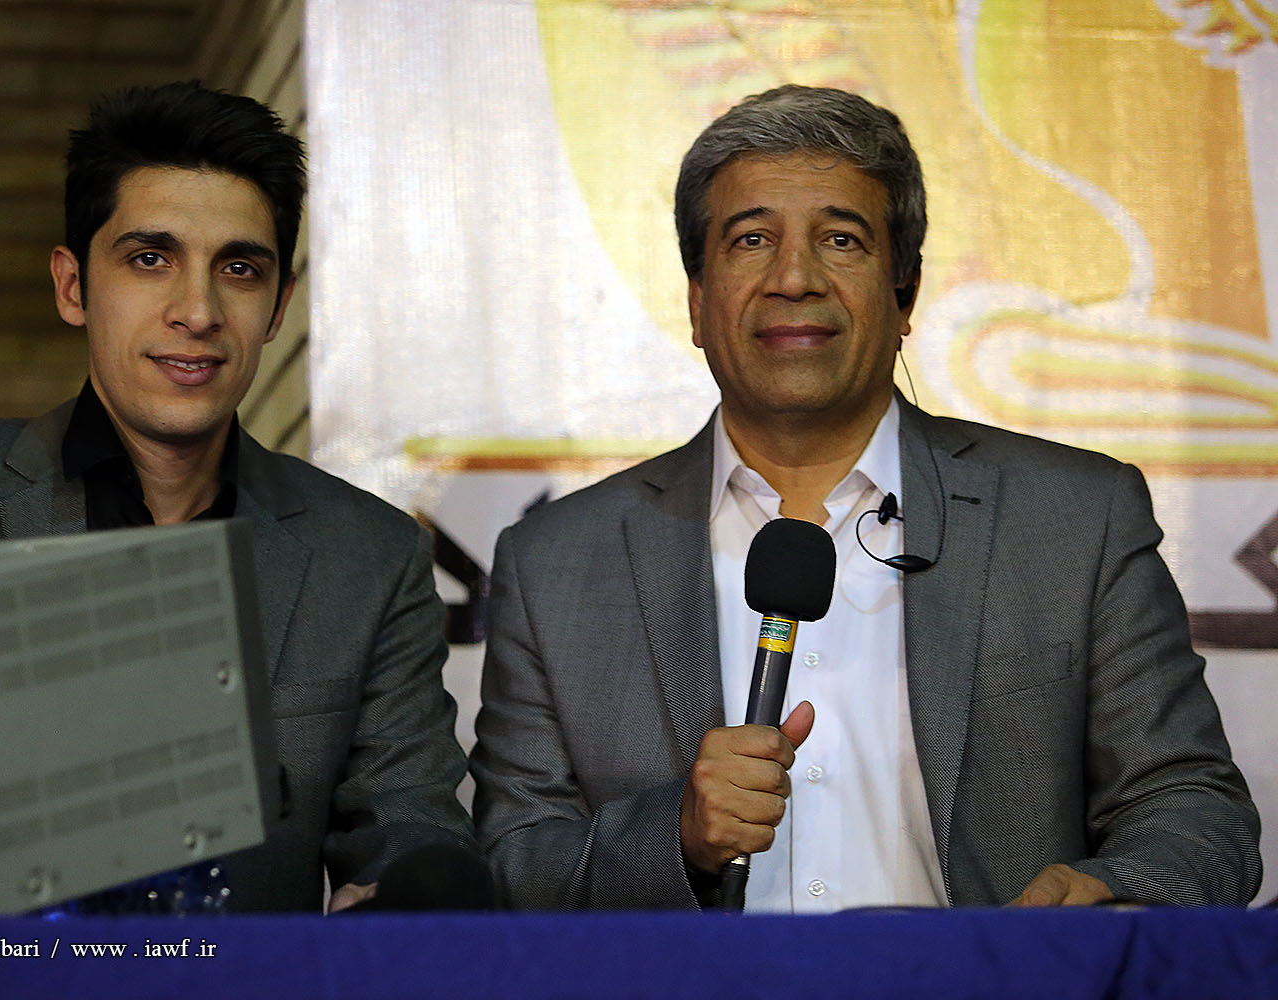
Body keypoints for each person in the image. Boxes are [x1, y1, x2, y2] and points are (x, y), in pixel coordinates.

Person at [469, 84, 1261, 910]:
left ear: (904, 293)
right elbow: (509, 865)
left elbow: (1195, 812)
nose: (794, 278)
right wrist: (675, 837)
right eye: (751, 239)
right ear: (698, 301)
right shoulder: (558, 564)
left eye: (841, 239)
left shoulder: (1075, 520)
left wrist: (1103, 891)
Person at [0, 81, 474, 912]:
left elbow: (412, 829)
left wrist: (395, 908)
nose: (198, 311)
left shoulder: (370, 557)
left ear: (278, 307)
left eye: (239, 269)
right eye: (149, 259)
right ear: (73, 287)